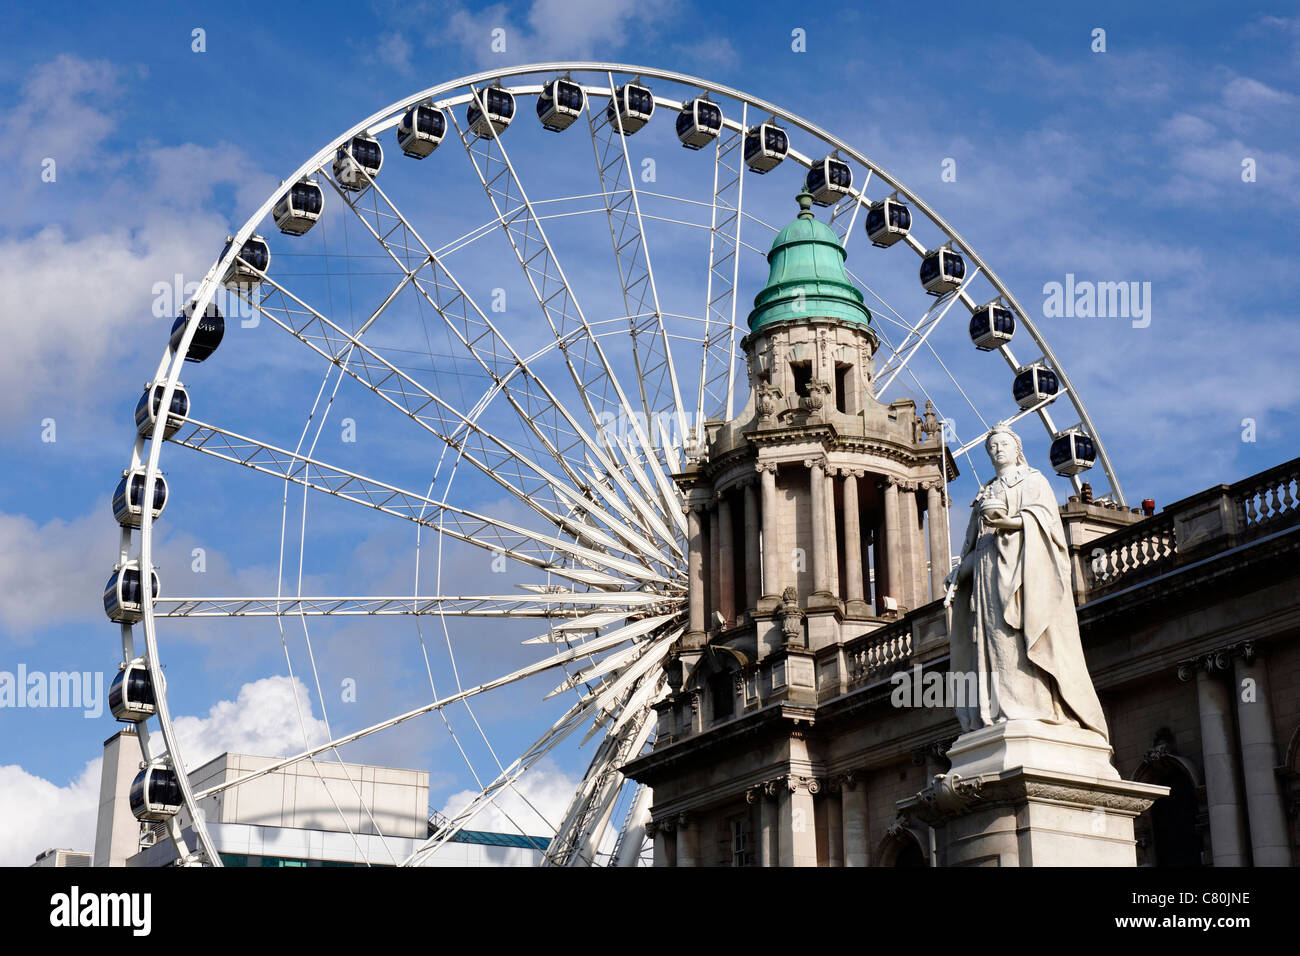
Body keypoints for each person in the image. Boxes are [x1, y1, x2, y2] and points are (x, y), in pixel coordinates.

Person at [942, 423, 1108, 739]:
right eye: (991, 446)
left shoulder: (1034, 481)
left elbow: (1046, 522)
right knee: (995, 644)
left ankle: (1034, 707)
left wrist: (1012, 522)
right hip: (988, 578)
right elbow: (973, 543)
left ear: (1016, 449)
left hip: (1023, 572)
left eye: (1002, 444)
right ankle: (1002, 708)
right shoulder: (985, 493)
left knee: (1020, 635)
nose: (996, 450)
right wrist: (960, 572)